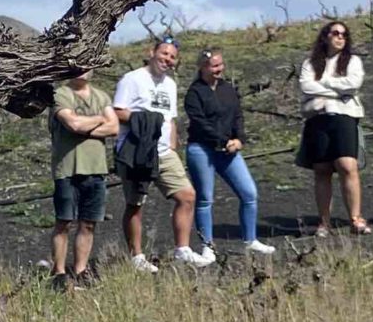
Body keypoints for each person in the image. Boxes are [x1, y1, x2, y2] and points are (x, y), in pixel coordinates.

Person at [112, 37, 212, 270]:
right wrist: (144, 120)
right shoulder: (132, 79)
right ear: (152, 52)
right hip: (137, 150)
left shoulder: (170, 84)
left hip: (165, 152)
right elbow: (117, 111)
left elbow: (171, 118)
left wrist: (173, 145)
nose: (167, 59)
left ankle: (183, 249)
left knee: (187, 195)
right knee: (135, 203)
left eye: (172, 57)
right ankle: (136, 256)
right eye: (164, 53)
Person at [182, 48, 273, 256]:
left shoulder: (228, 89)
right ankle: (207, 246)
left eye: (220, 65)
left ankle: (250, 239)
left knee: (249, 193)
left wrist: (239, 139)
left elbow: (237, 115)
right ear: (203, 68)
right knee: (205, 198)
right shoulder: (195, 92)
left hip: (229, 150)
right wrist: (223, 140)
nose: (219, 69)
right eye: (214, 66)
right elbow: (200, 123)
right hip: (202, 149)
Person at [295, 18, 368, 236]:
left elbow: (353, 85)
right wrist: (337, 90)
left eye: (344, 35)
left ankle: (355, 218)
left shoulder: (353, 61)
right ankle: (324, 222)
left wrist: (323, 85)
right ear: (326, 36)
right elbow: (306, 86)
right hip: (318, 118)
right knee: (322, 170)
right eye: (336, 33)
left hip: (344, 117)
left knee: (348, 165)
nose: (340, 38)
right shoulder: (310, 63)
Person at [47, 63, 118, 285]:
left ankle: (80, 270)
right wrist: (99, 120)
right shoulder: (60, 94)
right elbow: (73, 124)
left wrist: (86, 125)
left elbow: (114, 127)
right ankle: (59, 272)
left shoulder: (101, 96)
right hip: (67, 169)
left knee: (88, 223)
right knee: (64, 221)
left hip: (95, 168)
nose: (82, 70)